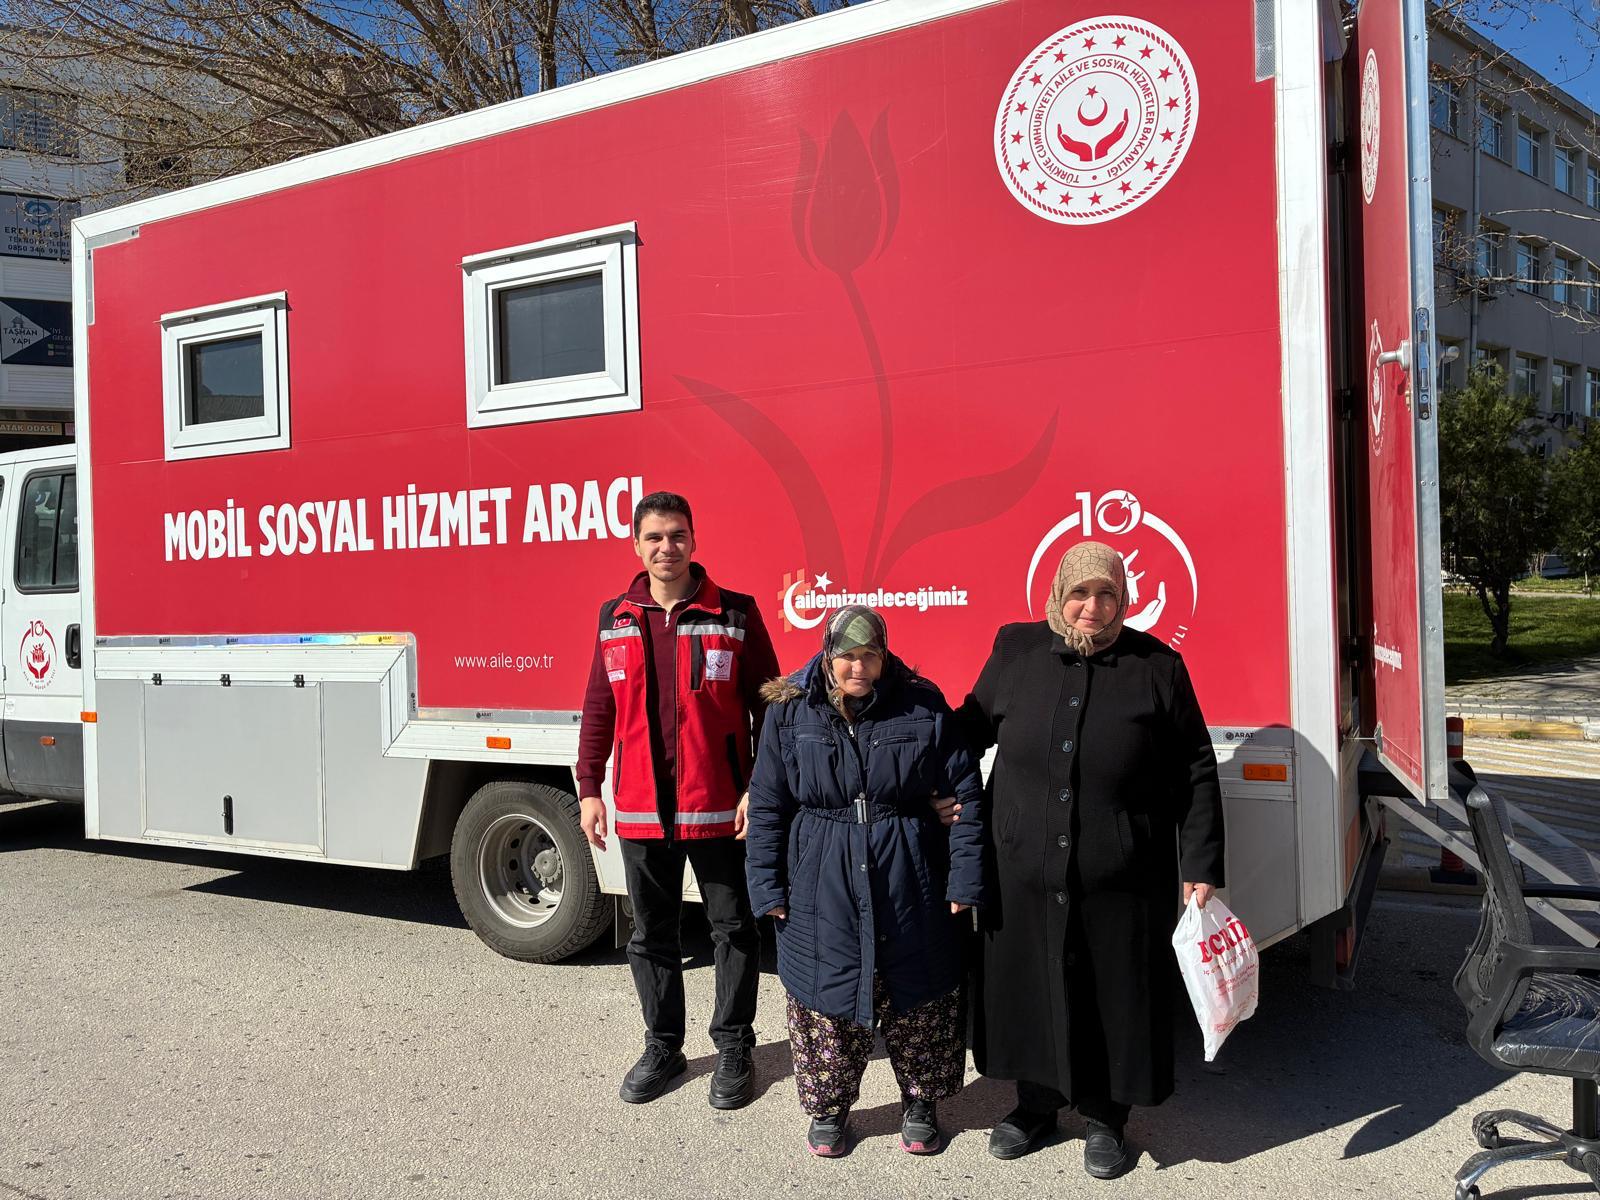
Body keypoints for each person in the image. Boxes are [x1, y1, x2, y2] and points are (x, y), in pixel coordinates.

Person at [948, 541, 1224, 1180]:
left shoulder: (1157, 666)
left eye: (1107, 595)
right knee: (1030, 987)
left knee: (1112, 992)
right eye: (1080, 593)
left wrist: (1202, 864)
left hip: (1122, 875)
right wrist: (938, 793)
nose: (1092, 607)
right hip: (1021, 867)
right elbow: (965, 732)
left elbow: (1196, 767)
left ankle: (1106, 1117)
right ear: (1057, 595)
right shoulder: (1016, 654)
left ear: (1123, 600)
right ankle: (1035, 1105)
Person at [744, 605, 985, 1157]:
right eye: (847, 656)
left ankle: (921, 1102)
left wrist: (964, 881)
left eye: (869, 655)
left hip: (909, 871)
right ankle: (829, 1109)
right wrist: (767, 885)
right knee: (826, 999)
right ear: (828, 656)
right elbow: (769, 804)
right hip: (820, 875)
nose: (859, 667)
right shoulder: (790, 710)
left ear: (884, 655)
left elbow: (965, 795)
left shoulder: (921, 703)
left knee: (918, 994)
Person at [577, 491, 779, 1109]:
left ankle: (734, 1045)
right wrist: (589, 790)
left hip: (719, 807)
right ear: (637, 545)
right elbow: (598, 708)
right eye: (656, 537)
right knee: (651, 935)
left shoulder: (735, 614)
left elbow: (769, 709)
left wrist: (757, 789)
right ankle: (664, 1045)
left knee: (733, 930)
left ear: (694, 541)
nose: (668, 547)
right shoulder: (615, 616)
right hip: (639, 809)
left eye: (679, 536)